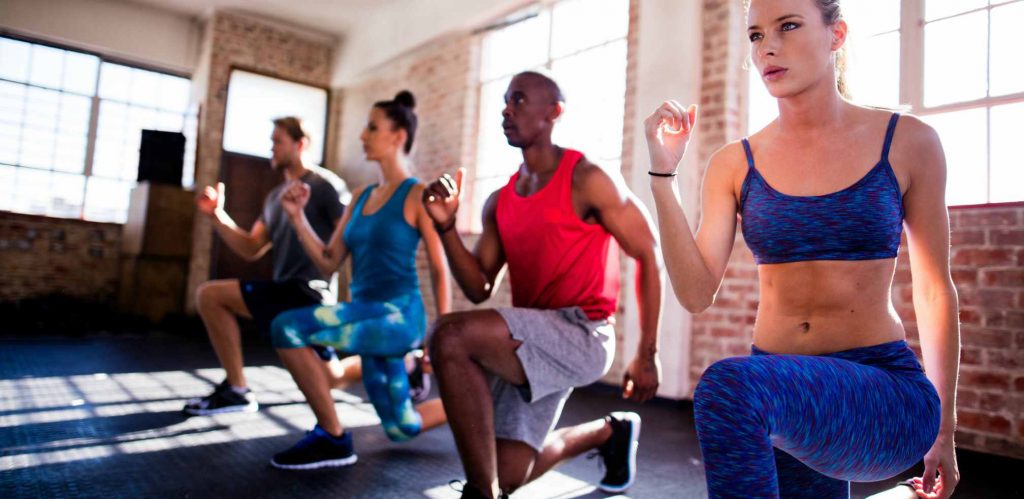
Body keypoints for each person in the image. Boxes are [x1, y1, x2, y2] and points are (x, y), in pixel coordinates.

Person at [644, 0, 960, 497]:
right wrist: (663, 176)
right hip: (783, 395)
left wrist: (945, 431)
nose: (767, 47)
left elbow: (935, 292)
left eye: (787, 26)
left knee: (729, 387)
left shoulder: (908, 142)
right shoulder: (734, 164)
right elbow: (695, 293)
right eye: (755, 35)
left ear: (837, 35)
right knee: (747, 392)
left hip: (884, 391)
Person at [423, 71, 662, 499]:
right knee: (506, 473)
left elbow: (648, 253)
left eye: (518, 100)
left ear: (554, 112)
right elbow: (479, 287)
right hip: (531, 338)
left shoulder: (588, 178)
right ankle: (609, 433)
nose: (506, 110)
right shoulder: (500, 200)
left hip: (583, 333)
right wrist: (446, 229)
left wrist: (646, 353)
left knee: (449, 334)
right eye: (505, 101)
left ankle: (479, 494)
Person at [267, 91, 450, 470]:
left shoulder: (417, 194)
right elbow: (329, 261)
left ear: (398, 136)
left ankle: (332, 436)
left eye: (372, 128)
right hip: (367, 315)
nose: (362, 136)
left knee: (287, 327)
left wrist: (441, 336)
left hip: (398, 317)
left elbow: (438, 266)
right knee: (401, 426)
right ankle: (480, 401)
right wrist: (297, 216)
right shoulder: (360, 197)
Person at [184, 116, 352, 416]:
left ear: (300, 145)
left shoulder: (325, 186)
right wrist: (216, 215)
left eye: (278, 141)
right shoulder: (275, 197)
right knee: (330, 378)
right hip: (285, 292)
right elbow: (252, 247)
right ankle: (406, 363)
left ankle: (237, 391)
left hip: (310, 294)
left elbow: (348, 236)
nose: (271, 147)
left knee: (210, 296)